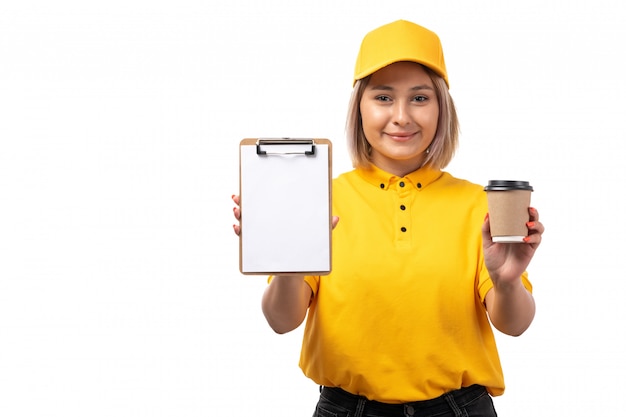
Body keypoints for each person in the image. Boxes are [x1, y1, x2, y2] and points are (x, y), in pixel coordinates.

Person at [232, 19, 544, 417]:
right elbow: (281, 321)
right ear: (359, 107)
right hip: (346, 409)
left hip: (458, 409)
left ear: (441, 109)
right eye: (383, 97)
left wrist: (507, 281)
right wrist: (288, 263)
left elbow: (515, 325)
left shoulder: (477, 205)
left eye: (419, 98)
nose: (401, 116)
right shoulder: (320, 198)